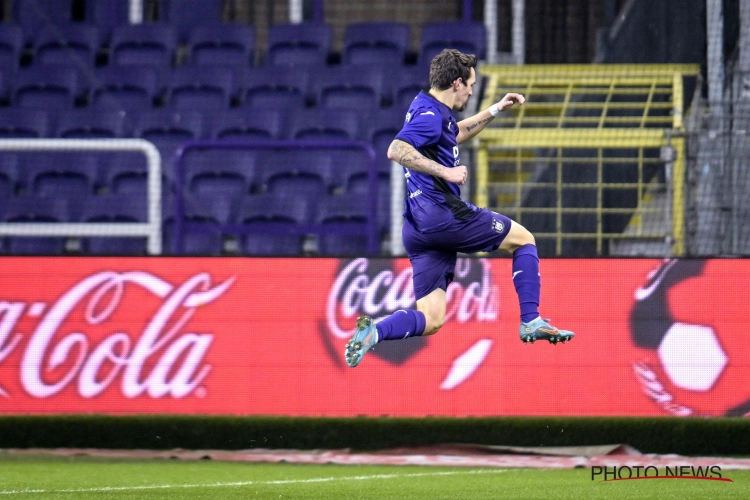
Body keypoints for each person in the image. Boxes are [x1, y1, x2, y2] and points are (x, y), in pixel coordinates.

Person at [344, 49, 574, 368]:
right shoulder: (430, 115)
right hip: (444, 217)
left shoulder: (428, 108)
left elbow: (455, 133)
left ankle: (374, 332)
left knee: (432, 319)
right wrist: (446, 172)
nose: (471, 91)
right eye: (470, 85)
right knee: (524, 240)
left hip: (418, 230)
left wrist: (494, 109)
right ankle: (531, 320)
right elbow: (396, 148)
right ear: (456, 83)